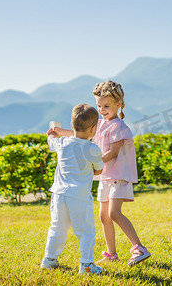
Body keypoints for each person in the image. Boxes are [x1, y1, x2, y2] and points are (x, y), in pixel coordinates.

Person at [40, 104, 104, 275]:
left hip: (59, 194)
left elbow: (51, 142)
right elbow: (99, 170)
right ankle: (86, 265)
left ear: (71, 125)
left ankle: (49, 259)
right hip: (79, 197)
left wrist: (53, 133)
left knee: (57, 227)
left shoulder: (62, 143)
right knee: (86, 231)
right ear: (93, 128)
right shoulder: (92, 149)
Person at [93, 80, 151, 266]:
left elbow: (113, 153)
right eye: (99, 106)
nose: (102, 110)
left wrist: (93, 164)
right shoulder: (100, 125)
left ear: (119, 104)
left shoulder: (119, 127)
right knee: (103, 216)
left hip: (117, 176)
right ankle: (112, 254)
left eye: (106, 106)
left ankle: (139, 248)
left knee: (114, 213)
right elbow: (80, 133)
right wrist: (61, 132)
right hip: (105, 177)